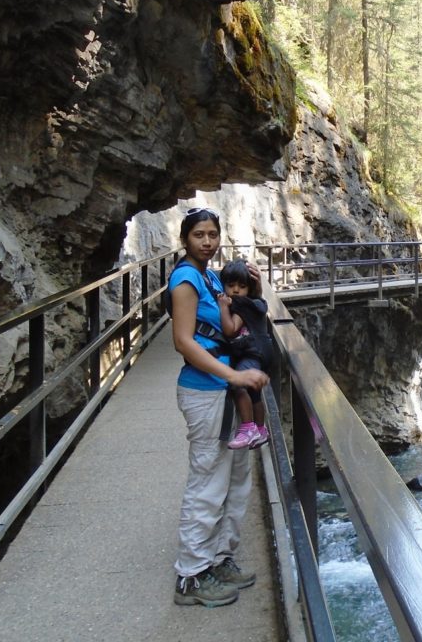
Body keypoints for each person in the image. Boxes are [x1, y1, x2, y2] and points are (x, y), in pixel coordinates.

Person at [168, 207, 270, 608]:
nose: (207, 241)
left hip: (225, 389)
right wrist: (235, 378)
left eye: (212, 234)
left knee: (235, 478)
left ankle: (219, 558)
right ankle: (191, 575)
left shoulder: (211, 276)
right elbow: (183, 341)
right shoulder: (186, 279)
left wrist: (257, 292)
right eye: (199, 235)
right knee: (208, 481)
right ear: (185, 239)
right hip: (206, 390)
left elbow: (236, 323)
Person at [217, 259, 274, 450]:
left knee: (238, 384)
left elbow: (231, 330)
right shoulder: (256, 301)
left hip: (252, 353)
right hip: (262, 352)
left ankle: (248, 428)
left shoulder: (241, 304)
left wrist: (223, 307)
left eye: (241, 286)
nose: (235, 290)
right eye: (231, 285)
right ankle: (261, 430)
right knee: (254, 392)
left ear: (249, 288)